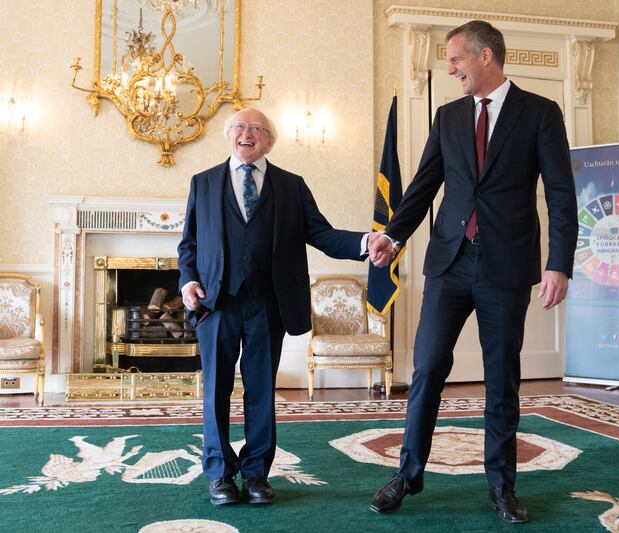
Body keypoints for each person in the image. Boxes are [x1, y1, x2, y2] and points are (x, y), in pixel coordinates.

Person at [367, 21, 578, 524]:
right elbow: (423, 186)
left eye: (456, 57)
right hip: (449, 264)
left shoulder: (541, 114)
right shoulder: (448, 116)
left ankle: (501, 487)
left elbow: (560, 194)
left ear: (485, 56)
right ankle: (408, 475)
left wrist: (559, 263)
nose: (451, 67)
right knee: (427, 369)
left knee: (501, 379)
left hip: (506, 267)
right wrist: (393, 236)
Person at [178, 108, 384, 505]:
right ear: (227, 136)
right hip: (216, 304)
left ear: (270, 141)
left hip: (267, 304)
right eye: (239, 126)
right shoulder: (202, 183)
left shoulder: (292, 186)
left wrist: (365, 241)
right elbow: (189, 244)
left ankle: (256, 475)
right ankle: (220, 474)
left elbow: (322, 234)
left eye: (257, 128)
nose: (247, 133)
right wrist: (188, 281)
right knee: (216, 390)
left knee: (260, 392)